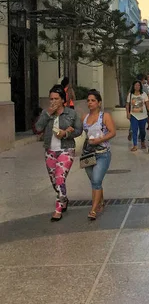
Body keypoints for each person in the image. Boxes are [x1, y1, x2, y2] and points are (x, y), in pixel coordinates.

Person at [35, 85, 82, 221]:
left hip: (66, 150)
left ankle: (58, 208)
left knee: (60, 177)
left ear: (62, 100)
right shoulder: (46, 113)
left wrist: (66, 133)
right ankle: (64, 198)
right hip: (50, 151)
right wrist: (47, 114)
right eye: (51, 99)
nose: (53, 101)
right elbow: (38, 128)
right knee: (54, 181)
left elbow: (79, 130)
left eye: (56, 98)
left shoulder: (71, 114)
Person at [83, 89, 116, 220]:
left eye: (93, 100)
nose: (90, 103)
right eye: (88, 101)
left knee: (96, 180)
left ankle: (93, 209)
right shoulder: (84, 117)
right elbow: (80, 131)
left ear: (99, 102)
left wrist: (100, 140)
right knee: (94, 181)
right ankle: (100, 201)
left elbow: (112, 132)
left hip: (103, 153)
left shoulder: (105, 116)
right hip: (88, 154)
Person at [126, 80, 149, 151]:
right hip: (133, 115)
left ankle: (142, 141)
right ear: (133, 86)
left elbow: (147, 104)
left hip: (143, 116)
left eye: (138, 85)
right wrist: (127, 113)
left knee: (142, 130)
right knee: (134, 130)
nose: (137, 87)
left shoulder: (144, 94)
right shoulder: (130, 95)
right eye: (136, 85)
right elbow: (127, 104)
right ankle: (135, 145)